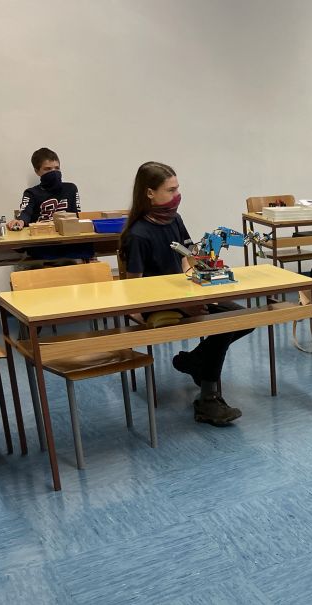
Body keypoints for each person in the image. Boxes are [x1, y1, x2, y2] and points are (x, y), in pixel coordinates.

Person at [119, 162, 251, 426]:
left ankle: (195, 360)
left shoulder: (174, 220)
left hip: (182, 295)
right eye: (170, 190)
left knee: (244, 317)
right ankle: (208, 400)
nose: (177, 195)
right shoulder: (138, 235)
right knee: (224, 325)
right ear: (149, 193)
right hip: (156, 303)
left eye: (177, 188)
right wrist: (182, 305)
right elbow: (135, 289)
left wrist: (195, 285)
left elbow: (186, 257)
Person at [6, 147, 93, 260]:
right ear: (37, 171)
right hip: (43, 242)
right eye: (48, 169)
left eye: (57, 168)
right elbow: (25, 213)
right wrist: (20, 221)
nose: (54, 172)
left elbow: (76, 215)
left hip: (67, 239)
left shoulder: (71, 188)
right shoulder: (31, 193)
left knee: (89, 248)